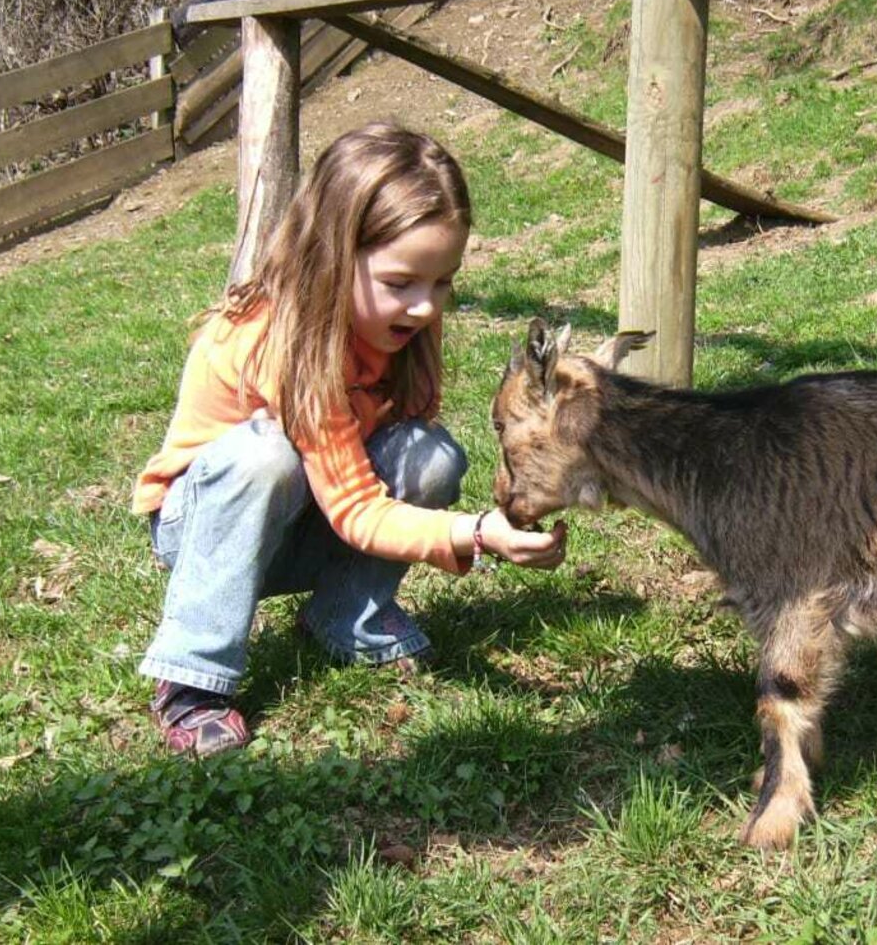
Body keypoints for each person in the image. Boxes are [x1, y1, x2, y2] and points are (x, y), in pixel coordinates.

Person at [131, 123, 567, 756]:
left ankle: (345, 615)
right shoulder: (277, 339)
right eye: (401, 283)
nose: (425, 306)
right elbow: (356, 508)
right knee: (265, 455)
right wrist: (473, 534)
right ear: (334, 255)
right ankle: (192, 677)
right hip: (204, 531)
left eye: (441, 282)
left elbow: (373, 476)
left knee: (428, 453)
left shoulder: (403, 326)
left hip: (308, 515)